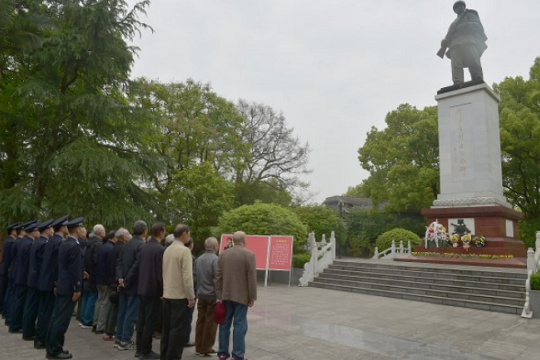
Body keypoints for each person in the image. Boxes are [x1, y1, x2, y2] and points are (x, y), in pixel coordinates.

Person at [46, 217, 86, 360]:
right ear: (77, 230)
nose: (85, 231)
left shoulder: (65, 244)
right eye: (83, 228)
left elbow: (61, 267)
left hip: (62, 285)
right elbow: (73, 270)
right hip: (69, 287)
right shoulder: (74, 246)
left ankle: (51, 347)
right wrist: (77, 288)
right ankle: (55, 350)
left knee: (56, 317)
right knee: (61, 320)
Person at [216, 231, 257, 360]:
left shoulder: (223, 255)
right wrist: (252, 297)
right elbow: (251, 278)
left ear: (233, 240)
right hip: (242, 296)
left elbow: (218, 276)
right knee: (239, 324)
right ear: (244, 240)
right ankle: (238, 355)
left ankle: (222, 353)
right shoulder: (249, 255)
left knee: (224, 324)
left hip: (225, 295)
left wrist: (219, 294)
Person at [161, 224, 195, 360]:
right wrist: (191, 297)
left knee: (166, 330)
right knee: (177, 331)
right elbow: (187, 277)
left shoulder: (167, 250)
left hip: (167, 294)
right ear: (185, 234)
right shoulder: (184, 251)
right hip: (179, 296)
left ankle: (164, 356)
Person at [35, 216, 69, 350]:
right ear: (62, 228)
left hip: (44, 281)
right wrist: (56, 283)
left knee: (44, 311)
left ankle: (40, 338)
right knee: (48, 313)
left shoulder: (52, 241)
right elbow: (56, 266)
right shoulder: (59, 242)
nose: (68, 228)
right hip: (50, 282)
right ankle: (43, 339)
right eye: (66, 226)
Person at [135, 222, 165, 360]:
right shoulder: (159, 249)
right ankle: (146, 350)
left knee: (141, 320)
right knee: (149, 321)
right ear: (161, 232)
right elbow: (160, 273)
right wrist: (163, 290)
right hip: (153, 290)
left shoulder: (145, 246)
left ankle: (139, 349)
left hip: (142, 287)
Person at [438, 1, 488, 85]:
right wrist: (445, 41)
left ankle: (477, 79)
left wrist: (465, 26)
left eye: (460, 5)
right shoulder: (453, 24)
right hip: (454, 45)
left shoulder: (470, 14)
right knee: (456, 65)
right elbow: (448, 36)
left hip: (468, 41)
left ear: (463, 6)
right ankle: (457, 82)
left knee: (473, 61)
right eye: (456, 7)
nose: (458, 8)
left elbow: (478, 26)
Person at [116, 220, 146, 351]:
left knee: (122, 311)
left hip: (124, 283)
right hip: (133, 284)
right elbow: (137, 265)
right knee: (131, 313)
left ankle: (119, 337)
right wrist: (126, 280)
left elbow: (119, 262)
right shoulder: (141, 245)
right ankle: (126, 340)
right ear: (144, 231)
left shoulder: (126, 244)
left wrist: (120, 278)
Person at [22, 219, 54, 341]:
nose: (53, 231)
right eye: (51, 228)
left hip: (32, 278)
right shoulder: (43, 243)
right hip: (37, 279)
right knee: (33, 306)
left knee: (30, 305)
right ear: (46, 230)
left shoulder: (37, 242)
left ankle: (28, 330)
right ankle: (29, 332)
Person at [10, 221, 39, 333]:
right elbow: (28, 263)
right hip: (24, 277)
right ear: (33, 232)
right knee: (22, 302)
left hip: (21, 275)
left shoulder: (24, 242)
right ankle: (16, 325)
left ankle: (16, 324)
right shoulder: (29, 244)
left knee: (20, 301)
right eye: (37, 231)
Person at [103, 227, 129, 343]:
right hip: (117, 281)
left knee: (112, 305)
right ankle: (109, 332)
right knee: (116, 307)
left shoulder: (114, 248)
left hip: (112, 280)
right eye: (128, 234)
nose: (129, 236)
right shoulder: (123, 248)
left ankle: (108, 330)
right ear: (123, 237)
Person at [195, 237, 219, 357]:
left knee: (200, 320)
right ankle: (206, 347)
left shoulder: (199, 259)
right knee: (211, 322)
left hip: (201, 294)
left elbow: (196, 276)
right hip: (212, 295)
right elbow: (217, 278)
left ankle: (198, 346)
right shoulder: (216, 260)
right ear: (215, 247)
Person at [80, 224, 105, 329]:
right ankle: (88, 319)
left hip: (87, 272)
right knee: (93, 296)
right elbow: (97, 260)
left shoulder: (88, 243)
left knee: (86, 295)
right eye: (104, 231)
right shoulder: (98, 244)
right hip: (94, 274)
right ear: (100, 233)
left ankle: (83, 317)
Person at [93, 230, 116, 334]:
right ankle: (101, 326)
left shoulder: (103, 246)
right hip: (106, 280)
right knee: (105, 303)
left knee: (99, 300)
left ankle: (95, 322)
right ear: (112, 237)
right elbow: (110, 266)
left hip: (98, 278)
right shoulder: (111, 248)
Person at [0, 222, 19, 318]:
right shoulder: (11, 242)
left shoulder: (9, 241)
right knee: (7, 292)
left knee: (6, 291)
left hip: (5, 268)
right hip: (7, 269)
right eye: (17, 230)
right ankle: (5, 312)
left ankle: (4, 311)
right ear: (12, 231)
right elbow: (9, 258)